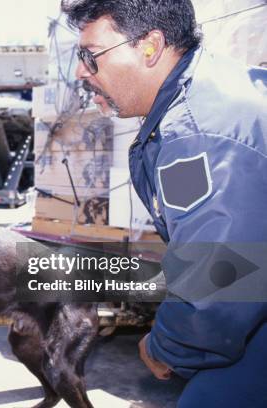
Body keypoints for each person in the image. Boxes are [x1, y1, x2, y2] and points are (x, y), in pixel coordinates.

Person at [62, 0, 267, 406]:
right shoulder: (208, 89)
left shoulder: (196, 135)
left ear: (150, 46)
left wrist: (164, 346)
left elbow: (220, 286)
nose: (81, 71)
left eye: (91, 56)